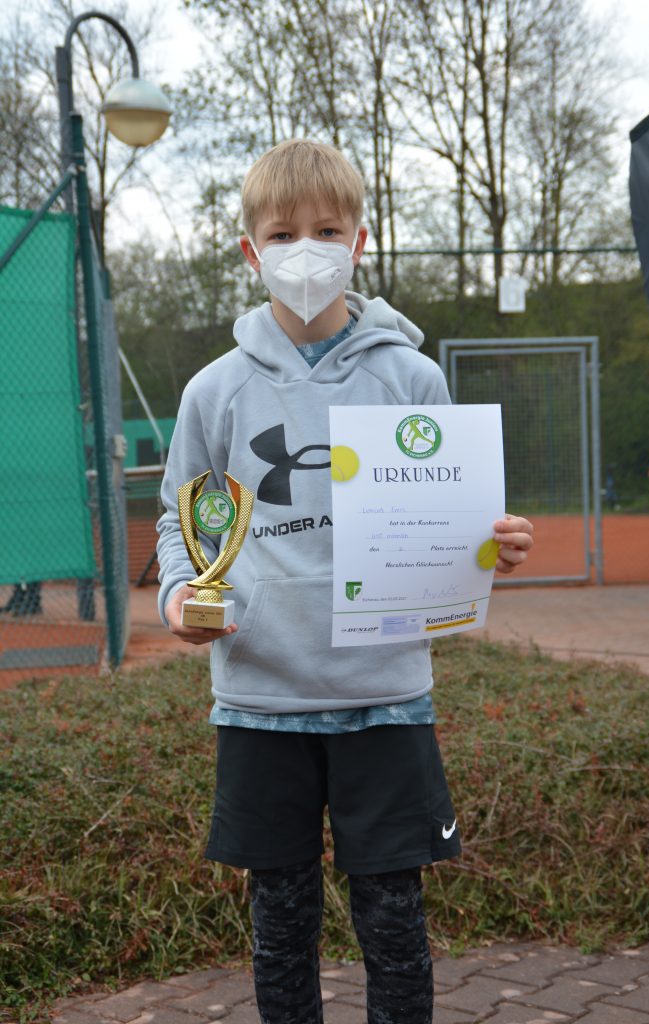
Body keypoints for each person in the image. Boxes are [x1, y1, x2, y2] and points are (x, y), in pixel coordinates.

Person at [156, 139, 534, 1024]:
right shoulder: (213, 391)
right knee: (279, 929)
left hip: (386, 697)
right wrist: (179, 597)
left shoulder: (412, 377)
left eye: (327, 230)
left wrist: (492, 546)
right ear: (250, 252)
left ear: (359, 241)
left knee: (395, 929)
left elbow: (452, 522)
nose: (306, 250)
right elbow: (183, 521)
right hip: (260, 701)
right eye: (282, 233)